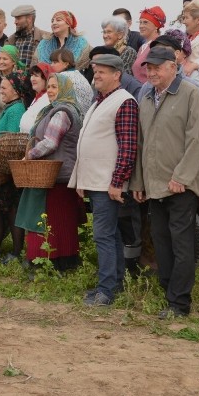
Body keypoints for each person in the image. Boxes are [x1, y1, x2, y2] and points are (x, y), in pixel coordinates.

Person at [130, 47, 199, 319]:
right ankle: (167, 290)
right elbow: (142, 145)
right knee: (160, 241)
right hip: (154, 185)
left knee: (182, 243)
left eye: (156, 67)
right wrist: (139, 182)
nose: (151, 72)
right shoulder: (147, 97)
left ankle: (179, 303)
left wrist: (182, 177)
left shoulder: (190, 95)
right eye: (148, 68)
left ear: (172, 67)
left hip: (180, 186)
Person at [69, 54, 138, 306]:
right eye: (95, 71)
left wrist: (117, 181)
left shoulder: (125, 102)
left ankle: (106, 290)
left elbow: (128, 147)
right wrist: (80, 180)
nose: (96, 75)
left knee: (103, 235)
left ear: (117, 74)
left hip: (108, 182)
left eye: (102, 72)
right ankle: (114, 283)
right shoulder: (99, 102)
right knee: (111, 234)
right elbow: (87, 142)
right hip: (95, 181)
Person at [16, 73, 84, 274]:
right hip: (55, 175)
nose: (51, 91)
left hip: (56, 174)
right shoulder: (55, 109)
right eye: (50, 87)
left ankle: (44, 261)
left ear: (65, 89)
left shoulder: (62, 112)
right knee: (59, 219)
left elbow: (50, 143)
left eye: (55, 87)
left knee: (49, 218)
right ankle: (62, 261)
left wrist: (29, 155)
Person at [0, 71, 30, 262]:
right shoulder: (11, 108)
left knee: (9, 211)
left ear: (16, 91)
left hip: (7, 167)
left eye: (4, 88)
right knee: (1, 210)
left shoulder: (16, 110)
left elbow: (11, 139)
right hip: (3, 165)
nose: (0, 91)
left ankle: (12, 252)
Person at [0, 44, 25, 122]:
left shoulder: (21, 78)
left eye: (5, 59)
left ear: (13, 61)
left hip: (15, 119)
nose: (1, 62)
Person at [48, 48, 93, 115]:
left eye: (55, 62)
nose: (51, 65)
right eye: (51, 62)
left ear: (66, 64)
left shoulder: (62, 77)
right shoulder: (78, 74)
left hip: (72, 117)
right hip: (85, 117)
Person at [131, 6, 167, 84]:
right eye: (140, 22)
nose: (141, 26)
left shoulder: (158, 45)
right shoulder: (142, 47)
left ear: (156, 26)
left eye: (145, 22)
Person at [19, 63, 54, 133]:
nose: (32, 79)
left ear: (46, 79)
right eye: (32, 75)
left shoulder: (48, 99)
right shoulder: (38, 97)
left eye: (36, 76)